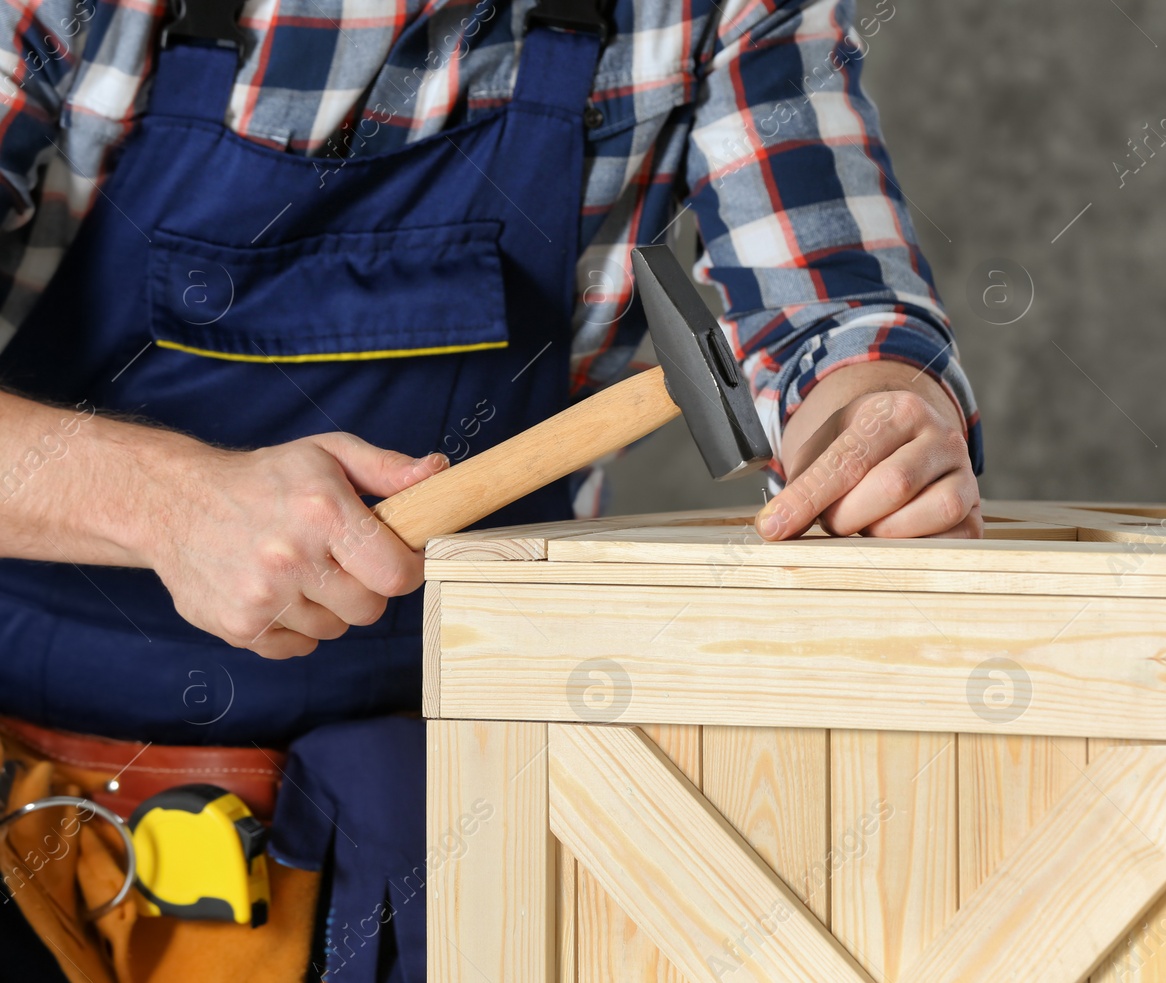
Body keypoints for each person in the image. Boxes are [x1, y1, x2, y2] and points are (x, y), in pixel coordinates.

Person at [0, 0, 982, 977]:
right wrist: (168, 504)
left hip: (455, 824)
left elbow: (834, 312)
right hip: (27, 809)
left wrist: (876, 414)